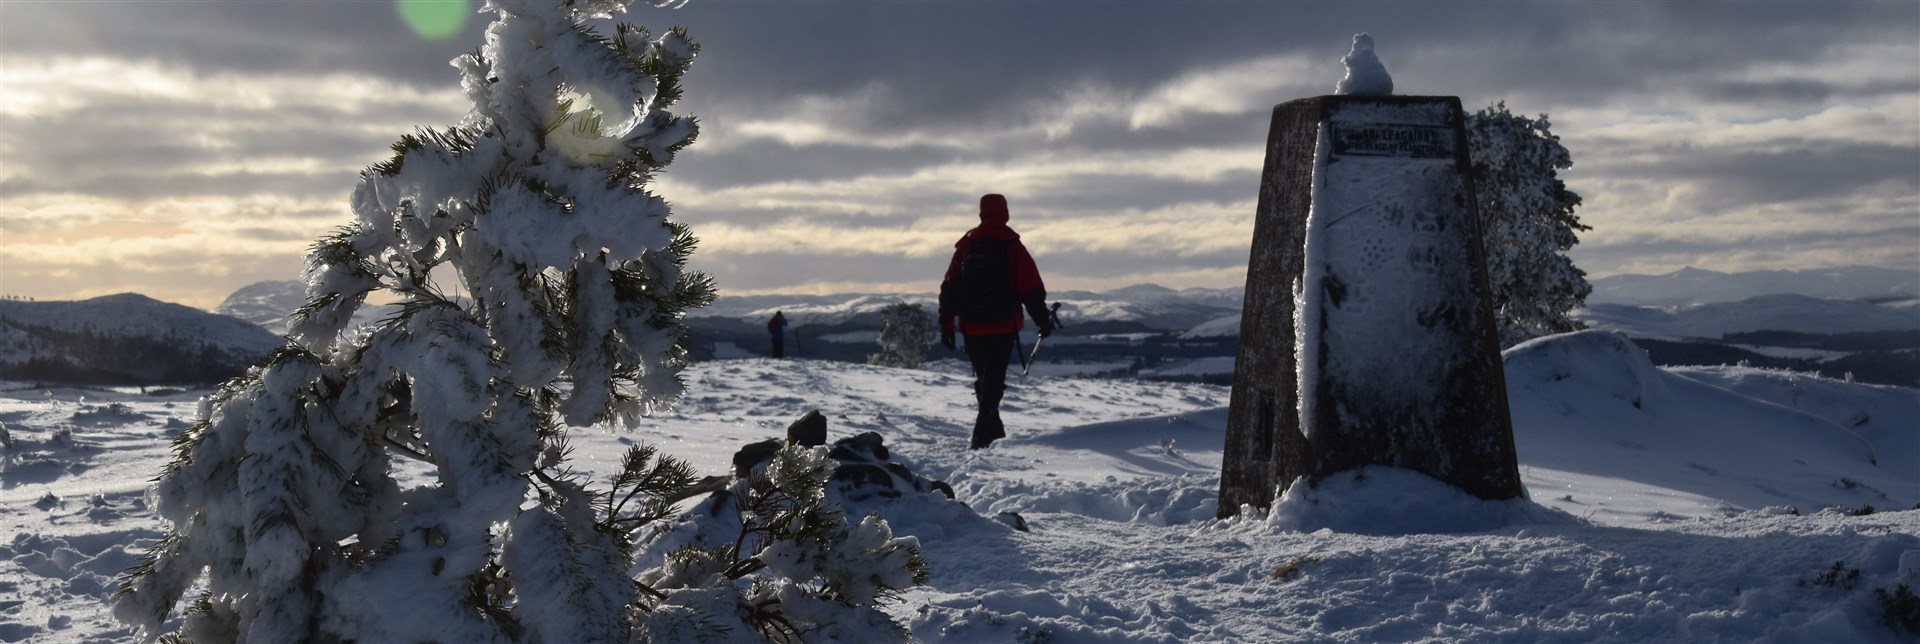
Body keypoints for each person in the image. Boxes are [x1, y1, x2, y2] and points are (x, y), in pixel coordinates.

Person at [938, 193, 1054, 450]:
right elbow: (1031, 289)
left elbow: (949, 289)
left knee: (985, 378)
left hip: (971, 325)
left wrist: (946, 326)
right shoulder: (1013, 247)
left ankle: (994, 430)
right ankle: (982, 433)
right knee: (993, 378)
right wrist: (1043, 322)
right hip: (1004, 325)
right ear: (1005, 213)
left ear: (981, 213)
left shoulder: (966, 247)